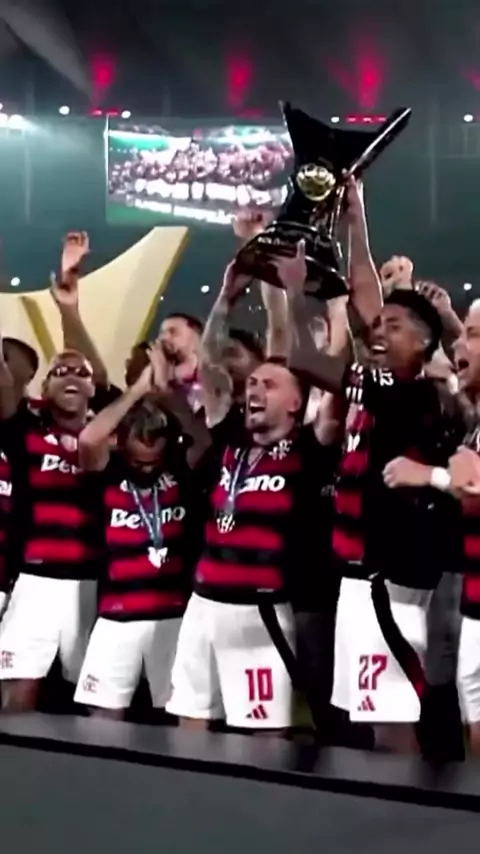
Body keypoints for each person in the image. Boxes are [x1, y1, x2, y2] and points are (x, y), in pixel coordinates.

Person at [287, 240, 464, 753]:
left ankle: (406, 804)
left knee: (391, 721)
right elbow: (366, 297)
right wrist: (354, 212)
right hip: (360, 579)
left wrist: (296, 293)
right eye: (379, 325)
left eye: (395, 327)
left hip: (387, 583)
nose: (380, 332)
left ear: (424, 344)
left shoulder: (410, 391)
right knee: (371, 717)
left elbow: (302, 358)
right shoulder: (379, 386)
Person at [167, 283, 337, 733]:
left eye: (269, 384)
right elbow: (209, 364)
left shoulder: (309, 448)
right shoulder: (230, 437)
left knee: (262, 739)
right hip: (203, 604)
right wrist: (225, 296)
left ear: (297, 402)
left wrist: (301, 297)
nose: (254, 390)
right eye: (253, 383)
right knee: (191, 720)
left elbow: (329, 377)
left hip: (261, 611)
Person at [73, 344, 211, 718]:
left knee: (184, 717)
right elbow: (88, 440)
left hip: (173, 614)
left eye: (154, 462)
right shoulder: (108, 471)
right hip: (116, 615)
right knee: (101, 722)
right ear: (122, 446)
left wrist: (165, 395)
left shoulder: (179, 467)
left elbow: (203, 440)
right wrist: (136, 391)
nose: (147, 469)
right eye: (138, 462)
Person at [0, 347, 99, 711]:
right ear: (44, 388)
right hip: (35, 579)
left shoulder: (112, 436)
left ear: (94, 389)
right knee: (17, 692)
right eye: (61, 371)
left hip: (93, 585)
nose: (72, 375)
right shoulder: (25, 430)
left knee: (98, 696)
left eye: (82, 372)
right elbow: (4, 389)